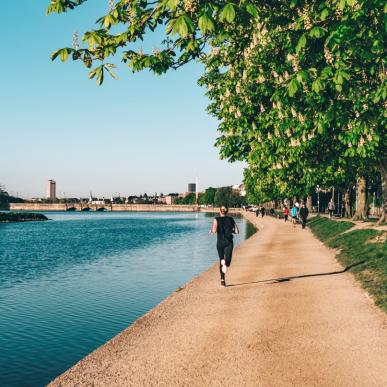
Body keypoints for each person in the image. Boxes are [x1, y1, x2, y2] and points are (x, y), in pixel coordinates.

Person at [210, 206, 239, 287]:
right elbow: (237, 231)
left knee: (221, 261)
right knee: (227, 262)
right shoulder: (231, 219)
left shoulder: (216, 219)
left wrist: (211, 231)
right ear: (227, 211)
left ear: (220, 211)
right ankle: (225, 264)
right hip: (229, 243)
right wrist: (231, 230)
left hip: (220, 243)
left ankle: (222, 280)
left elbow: (214, 230)